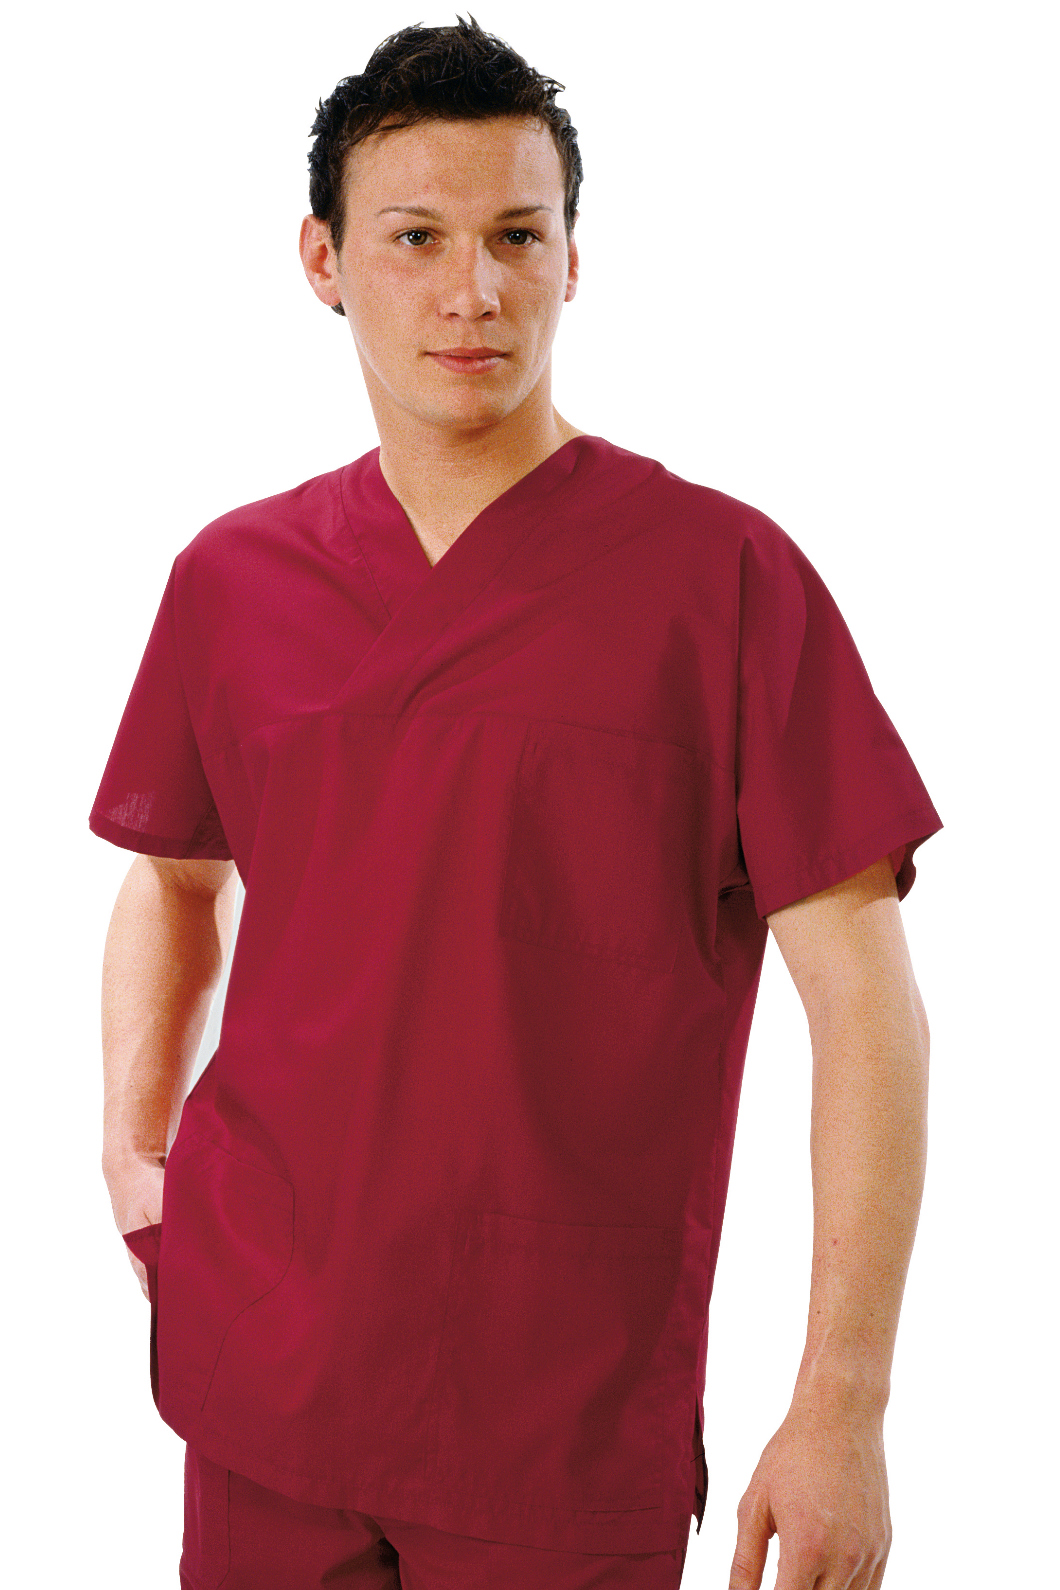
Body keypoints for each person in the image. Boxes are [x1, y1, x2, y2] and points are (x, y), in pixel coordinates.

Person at [92, 15, 943, 1590]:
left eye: (516, 236)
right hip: (266, 1361)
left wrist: (844, 1403)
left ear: (573, 259)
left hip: (561, 1402)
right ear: (324, 259)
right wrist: (135, 1150)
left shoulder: (724, 580)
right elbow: (172, 876)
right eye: (415, 237)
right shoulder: (232, 579)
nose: (472, 290)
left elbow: (865, 1001)